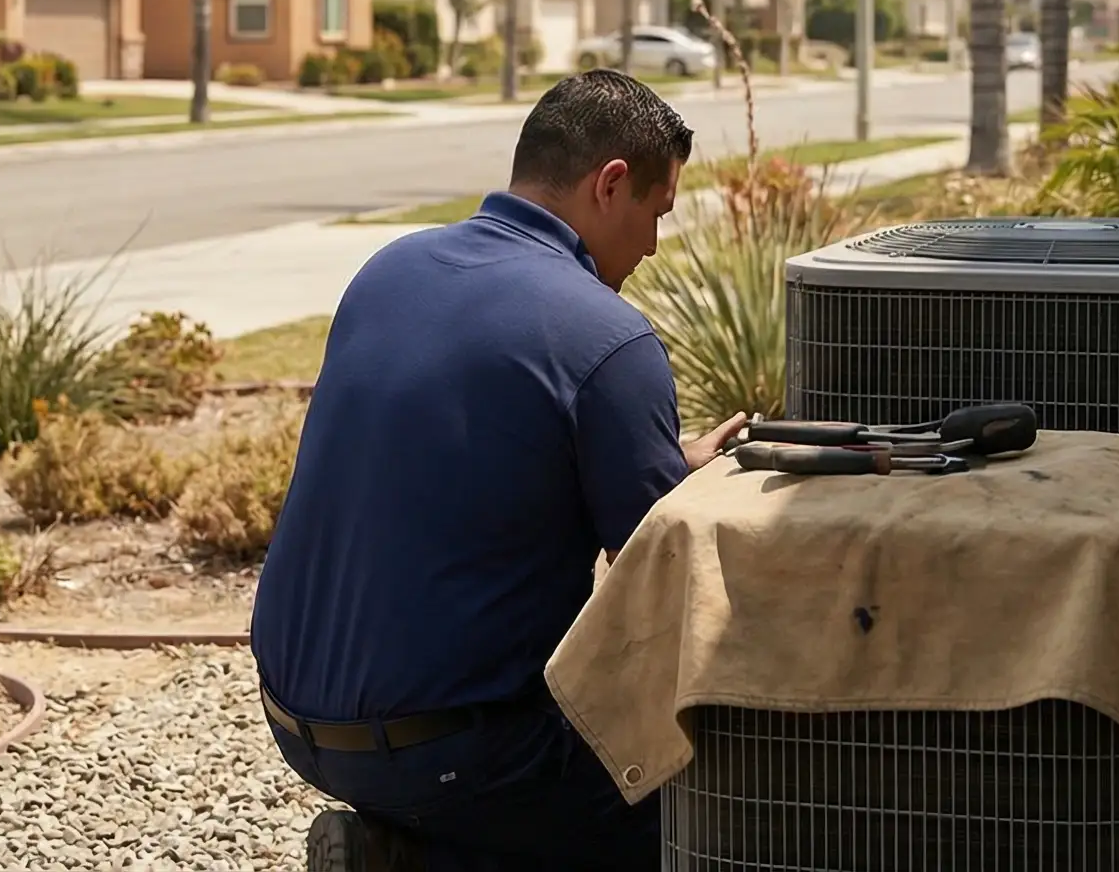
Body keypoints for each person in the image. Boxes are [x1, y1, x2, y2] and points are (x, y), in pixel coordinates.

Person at [252, 70, 749, 871]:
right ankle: (411, 852)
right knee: (699, 807)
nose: (654, 246)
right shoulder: (609, 336)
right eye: (657, 215)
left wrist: (660, 463)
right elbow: (657, 574)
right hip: (455, 753)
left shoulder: (390, 272)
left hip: (293, 722)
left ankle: (395, 846)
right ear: (611, 184)